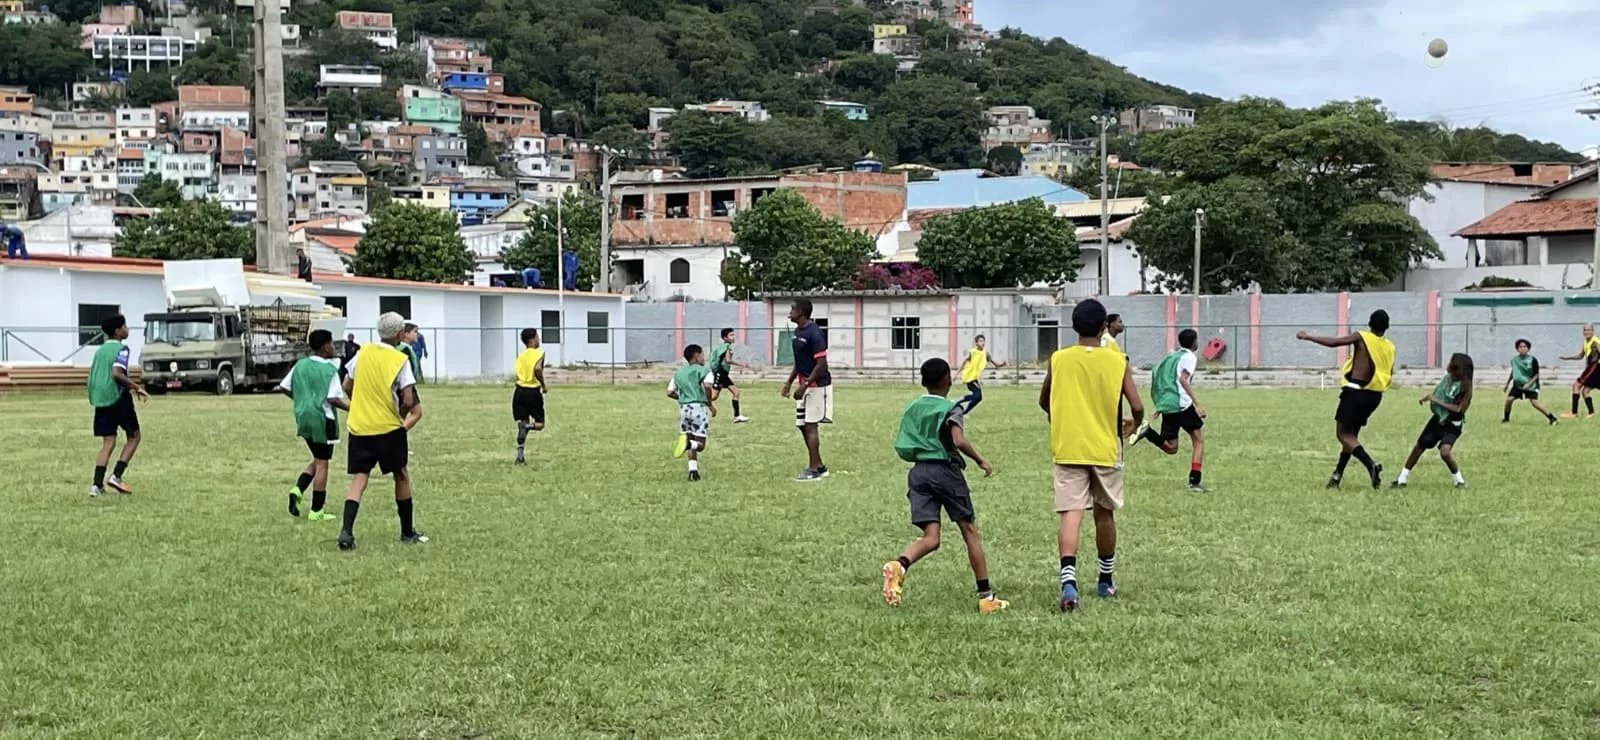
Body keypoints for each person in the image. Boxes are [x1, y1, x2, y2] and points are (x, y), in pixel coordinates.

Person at [880, 357, 1007, 613]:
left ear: (924, 382)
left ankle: (899, 565)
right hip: (944, 471)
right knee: (969, 531)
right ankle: (986, 597)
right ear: (949, 380)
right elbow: (958, 441)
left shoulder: (914, 406)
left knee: (931, 538)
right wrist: (980, 460)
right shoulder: (952, 408)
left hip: (918, 473)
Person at [1040, 299, 1143, 612]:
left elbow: (1044, 400)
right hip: (1104, 447)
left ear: (1073, 327)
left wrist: (1059, 417)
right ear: (1104, 327)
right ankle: (1105, 579)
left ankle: (1068, 582)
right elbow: (1137, 406)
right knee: (1104, 513)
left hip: (1068, 445)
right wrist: (1132, 425)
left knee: (1071, 512)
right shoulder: (1117, 361)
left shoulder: (1059, 359)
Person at [337, 312, 425, 551]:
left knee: (360, 477)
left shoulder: (362, 353)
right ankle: (407, 532)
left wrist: (360, 405)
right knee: (401, 475)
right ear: (399, 335)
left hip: (360, 426)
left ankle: (346, 532)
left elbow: (347, 385)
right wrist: (400, 413)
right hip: (387, 427)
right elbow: (408, 397)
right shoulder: (399, 359)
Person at [1297, 310, 1395, 489]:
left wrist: (1308, 337)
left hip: (1355, 392)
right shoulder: (1390, 346)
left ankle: (1370, 465)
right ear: (1387, 327)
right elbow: (1390, 371)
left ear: (1369, 324)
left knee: (1342, 435)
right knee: (1352, 437)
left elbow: (1336, 342)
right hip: (1375, 396)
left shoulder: (1362, 337)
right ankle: (1337, 476)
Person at [277, 329, 349, 521]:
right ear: (325, 346)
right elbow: (333, 398)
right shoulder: (329, 369)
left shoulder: (300, 365)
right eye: (332, 343)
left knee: (318, 458)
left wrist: (301, 399)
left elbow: (284, 386)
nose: (333, 347)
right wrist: (351, 408)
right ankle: (317, 510)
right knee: (323, 464)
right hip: (322, 419)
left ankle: (298, 489)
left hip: (303, 417)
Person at [1133, 328, 1208, 491]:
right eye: (1197, 340)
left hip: (1169, 406)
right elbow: (1183, 380)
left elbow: (1160, 377)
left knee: (1171, 448)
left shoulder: (1172, 356)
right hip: (1182, 404)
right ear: (1194, 342)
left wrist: (1161, 405)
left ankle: (1147, 432)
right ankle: (1194, 482)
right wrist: (1197, 404)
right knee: (1198, 440)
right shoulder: (1189, 357)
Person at [1393, 353, 1474, 490]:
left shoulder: (1466, 387)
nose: (1451, 372)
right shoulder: (1448, 380)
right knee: (1419, 447)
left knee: (1445, 452)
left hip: (1452, 424)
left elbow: (1458, 409)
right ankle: (1402, 478)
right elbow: (1439, 392)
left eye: (1455, 369)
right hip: (1438, 420)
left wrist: (1435, 400)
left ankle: (1459, 480)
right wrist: (1431, 399)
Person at [87, 314, 147, 497]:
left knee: (108, 441)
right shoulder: (122, 349)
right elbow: (116, 373)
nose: (127, 329)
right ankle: (117, 476)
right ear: (117, 331)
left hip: (101, 399)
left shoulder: (99, 351)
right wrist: (136, 387)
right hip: (118, 397)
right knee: (134, 436)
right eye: (125, 326)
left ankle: (96, 486)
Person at [782, 299, 832, 481]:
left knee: (811, 425)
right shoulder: (797, 332)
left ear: (802, 311)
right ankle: (819, 466)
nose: (790, 311)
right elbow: (799, 362)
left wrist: (805, 385)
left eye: (793, 308)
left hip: (817, 385)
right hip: (804, 384)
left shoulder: (815, 333)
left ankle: (812, 469)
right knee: (802, 425)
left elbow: (821, 364)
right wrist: (789, 382)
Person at [669, 344, 719, 482]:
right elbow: (708, 387)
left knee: (689, 436)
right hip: (698, 408)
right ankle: (688, 445)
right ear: (696, 356)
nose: (704, 358)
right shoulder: (704, 371)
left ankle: (693, 471)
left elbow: (670, 392)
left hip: (685, 409)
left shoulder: (678, 373)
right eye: (702, 355)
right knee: (700, 444)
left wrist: (684, 398)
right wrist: (709, 404)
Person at [512, 327, 546, 465]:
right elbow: (537, 369)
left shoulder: (521, 356)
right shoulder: (539, 353)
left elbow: (517, 374)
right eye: (537, 337)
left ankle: (520, 456)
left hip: (519, 391)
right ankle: (526, 427)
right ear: (532, 339)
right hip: (532, 391)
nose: (538, 340)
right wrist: (543, 384)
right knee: (539, 424)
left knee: (522, 422)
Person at [1504, 339, 1558, 425]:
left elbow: (1536, 374)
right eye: (1520, 347)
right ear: (1517, 349)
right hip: (1517, 385)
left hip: (1531, 385)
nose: (1522, 348)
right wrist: (1507, 384)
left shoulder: (1532, 360)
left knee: (1535, 403)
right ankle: (1506, 419)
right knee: (1509, 400)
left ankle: (1552, 418)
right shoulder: (1514, 360)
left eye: (1525, 347)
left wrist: (1529, 384)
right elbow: (1513, 372)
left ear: (1528, 349)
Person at [956, 334, 1007, 415]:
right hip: (969, 377)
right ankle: (960, 401)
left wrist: (1002, 364)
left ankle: (964, 411)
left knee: (978, 397)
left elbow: (995, 365)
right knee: (978, 396)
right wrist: (956, 374)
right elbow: (964, 362)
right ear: (976, 343)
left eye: (983, 341)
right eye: (980, 341)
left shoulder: (985, 353)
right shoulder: (972, 352)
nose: (982, 343)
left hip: (974, 378)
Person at [709, 328, 751, 423]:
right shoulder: (726, 347)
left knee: (714, 397)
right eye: (731, 335)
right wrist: (741, 364)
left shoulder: (722, 347)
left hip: (722, 373)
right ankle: (736, 416)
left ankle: (737, 416)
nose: (733, 337)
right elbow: (728, 360)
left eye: (733, 334)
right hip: (721, 374)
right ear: (725, 338)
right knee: (735, 392)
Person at [1560, 325, 1600, 419]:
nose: (1587, 332)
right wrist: (1567, 358)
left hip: (1595, 367)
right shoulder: (1586, 342)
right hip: (1591, 368)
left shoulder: (1595, 342)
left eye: (1589, 330)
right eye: (1585, 330)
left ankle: (1573, 413)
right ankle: (1591, 413)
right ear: (1583, 332)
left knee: (1576, 385)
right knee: (1585, 391)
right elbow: (1581, 356)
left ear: (1593, 331)